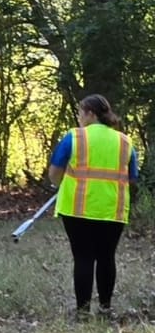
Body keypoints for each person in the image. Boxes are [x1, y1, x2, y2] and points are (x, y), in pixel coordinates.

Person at [48, 94, 139, 318]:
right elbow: (133, 178)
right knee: (107, 257)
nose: (79, 117)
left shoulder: (74, 137)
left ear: (91, 114)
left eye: (81, 112)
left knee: (83, 258)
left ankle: (82, 311)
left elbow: (54, 172)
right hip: (112, 209)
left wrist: (62, 184)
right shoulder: (125, 142)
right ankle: (105, 308)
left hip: (78, 209)